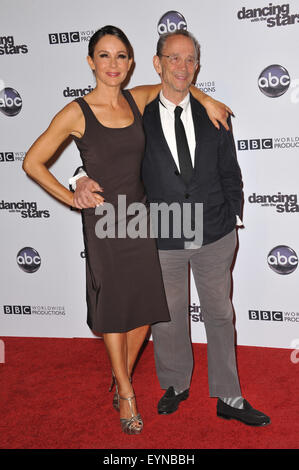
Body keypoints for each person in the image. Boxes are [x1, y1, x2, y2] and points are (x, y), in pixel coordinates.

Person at [22, 25, 231, 435]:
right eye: (104, 55)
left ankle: (121, 376)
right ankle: (126, 391)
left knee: (145, 310)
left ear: (131, 63)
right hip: (104, 223)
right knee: (116, 312)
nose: (113, 64)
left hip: (141, 218)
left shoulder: (136, 101)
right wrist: (72, 194)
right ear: (90, 62)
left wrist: (206, 98)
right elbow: (32, 162)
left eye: (121, 56)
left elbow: (176, 83)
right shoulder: (75, 112)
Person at [73, 29, 271, 427]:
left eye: (190, 59)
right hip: (162, 233)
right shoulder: (137, 116)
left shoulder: (214, 113)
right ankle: (175, 384)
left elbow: (231, 171)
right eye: (174, 58)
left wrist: (233, 213)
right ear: (156, 63)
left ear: (198, 66)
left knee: (219, 313)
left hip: (215, 232)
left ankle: (229, 395)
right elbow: (107, 154)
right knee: (167, 315)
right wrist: (79, 175)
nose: (182, 66)